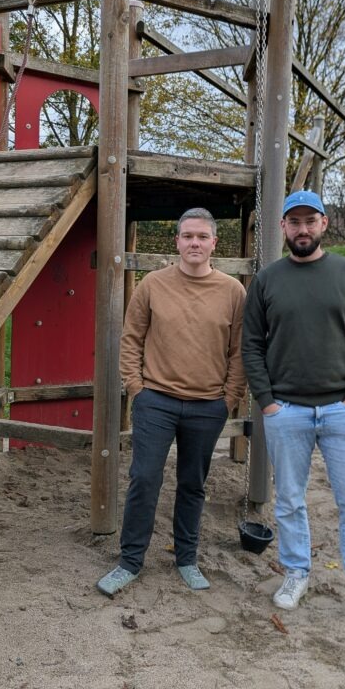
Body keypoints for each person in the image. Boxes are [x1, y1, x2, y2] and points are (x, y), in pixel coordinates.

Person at [241, 190, 345, 624]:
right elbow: (251, 345)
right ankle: (296, 572)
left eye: (311, 221)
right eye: (295, 222)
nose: (303, 229)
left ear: (324, 224)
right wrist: (267, 402)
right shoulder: (268, 281)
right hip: (285, 410)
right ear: (283, 228)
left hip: (342, 410)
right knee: (289, 500)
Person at [97, 207, 246, 597]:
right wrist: (136, 388)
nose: (194, 243)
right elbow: (131, 339)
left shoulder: (233, 292)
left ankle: (186, 558)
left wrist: (229, 399)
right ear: (176, 241)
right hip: (156, 401)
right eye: (187, 236)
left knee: (192, 484)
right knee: (144, 478)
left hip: (207, 405)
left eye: (202, 237)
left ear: (215, 243)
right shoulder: (152, 285)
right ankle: (130, 561)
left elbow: (240, 352)